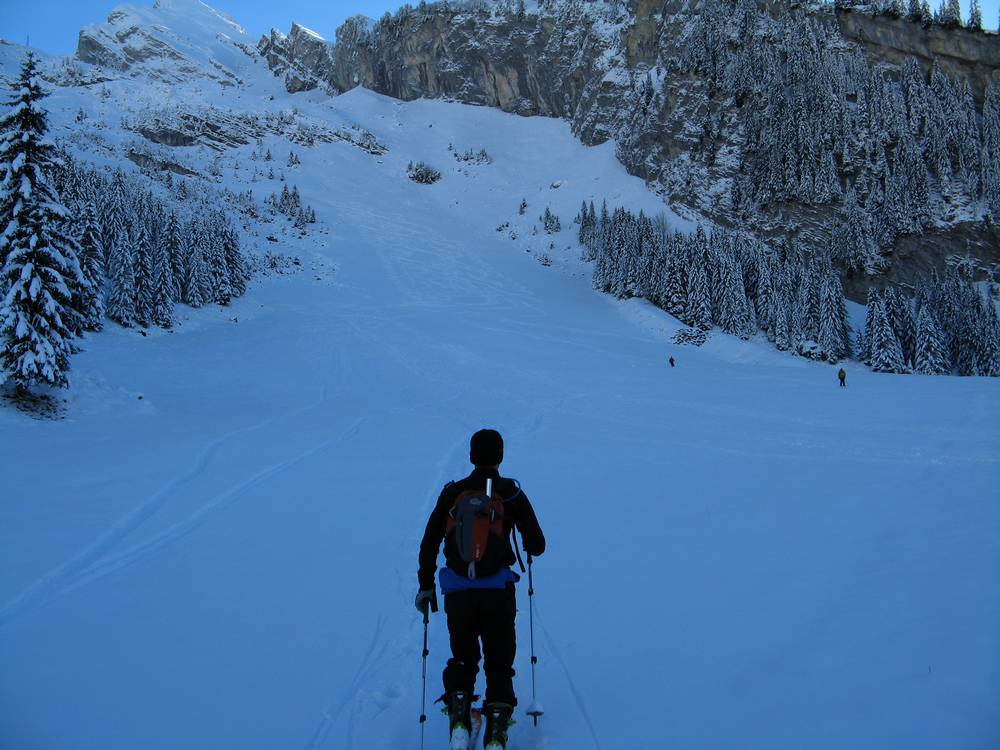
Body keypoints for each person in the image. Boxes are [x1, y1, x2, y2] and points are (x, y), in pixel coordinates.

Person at [415, 429, 545, 750]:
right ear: (500, 456)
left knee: (464, 655)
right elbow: (538, 544)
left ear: (471, 456)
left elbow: (429, 542)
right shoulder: (510, 492)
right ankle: (496, 730)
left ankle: (460, 713)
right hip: (497, 592)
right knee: (499, 659)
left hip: (458, 591)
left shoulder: (452, 493)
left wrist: (426, 586)